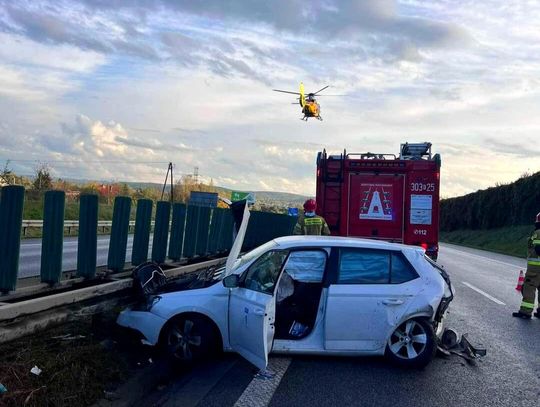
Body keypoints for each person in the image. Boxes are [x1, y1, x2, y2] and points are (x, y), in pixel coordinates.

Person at [513, 212, 540, 319]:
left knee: (529, 288)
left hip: (535, 269)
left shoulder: (538, 232)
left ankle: (525, 311)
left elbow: (538, 249)